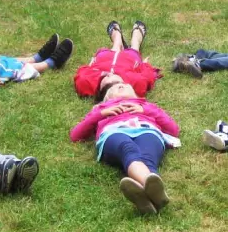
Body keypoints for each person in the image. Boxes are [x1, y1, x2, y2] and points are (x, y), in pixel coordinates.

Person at [70, 79, 179, 216]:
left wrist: (145, 110)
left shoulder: (147, 105)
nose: (119, 85)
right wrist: (101, 113)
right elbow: (75, 135)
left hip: (147, 130)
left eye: (123, 85)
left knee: (148, 157)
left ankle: (146, 198)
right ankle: (153, 189)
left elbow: (173, 129)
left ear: (135, 94)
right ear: (107, 98)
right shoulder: (102, 108)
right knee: (127, 149)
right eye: (114, 88)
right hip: (114, 132)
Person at [74, 20, 160, 100]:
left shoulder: (86, 83)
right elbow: (147, 77)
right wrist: (145, 65)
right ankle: (136, 39)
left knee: (114, 47)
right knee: (134, 49)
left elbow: (82, 73)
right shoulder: (135, 83)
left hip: (104, 59)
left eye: (105, 79)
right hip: (129, 60)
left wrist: (95, 69)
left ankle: (117, 39)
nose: (110, 74)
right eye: (116, 81)